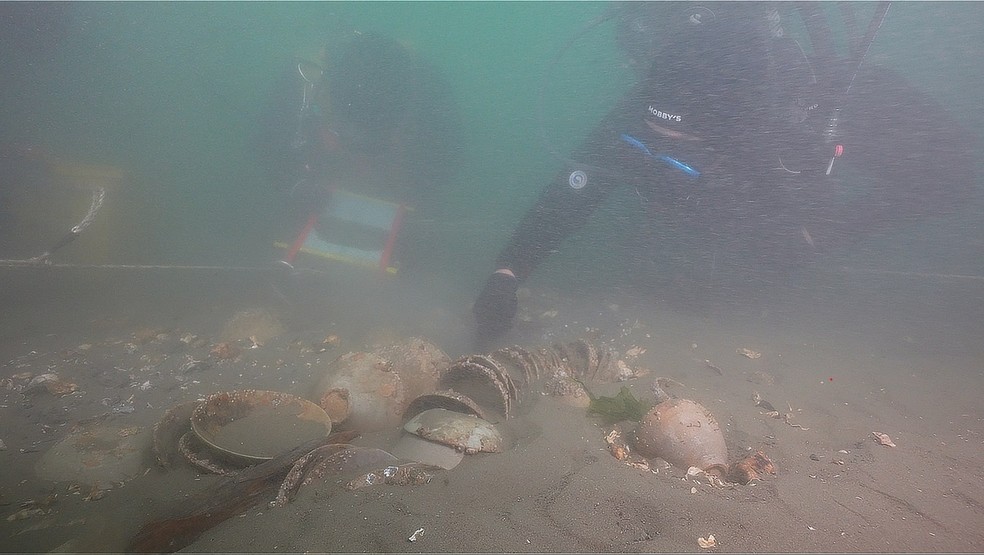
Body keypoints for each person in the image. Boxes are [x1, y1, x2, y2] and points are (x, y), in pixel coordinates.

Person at [473, 2, 978, 343]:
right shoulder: (650, 106)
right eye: (654, 134)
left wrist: (835, 227)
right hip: (720, 220)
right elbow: (574, 190)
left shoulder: (811, 107)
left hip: (769, 210)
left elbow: (958, 173)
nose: (659, 150)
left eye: (683, 144)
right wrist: (509, 271)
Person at [255, 32, 461, 271]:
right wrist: (295, 185)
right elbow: (267, 145)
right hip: (322, 177)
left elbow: (448, 159)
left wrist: (419, 207)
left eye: (375, 131)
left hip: (396, 185)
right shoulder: (306, 80)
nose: (360, 143)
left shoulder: (430, 94)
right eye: (350, 128)